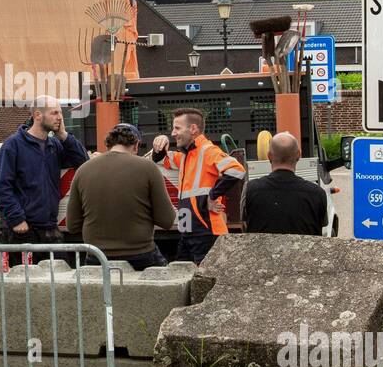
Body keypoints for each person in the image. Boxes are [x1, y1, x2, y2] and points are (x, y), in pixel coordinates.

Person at [66, 123, 176, 270]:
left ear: (109, 144)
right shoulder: (148, 168)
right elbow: (167, 220)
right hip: (141, 255)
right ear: (136, 145)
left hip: (97, 257)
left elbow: (72, 225)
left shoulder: (83, 170)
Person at [0, 95, 89, 256]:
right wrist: (17, 219)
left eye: (60, 113)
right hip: (22, 230)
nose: (60, 117)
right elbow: (3, 187)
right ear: (38, 115)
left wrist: (64, 135)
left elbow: (83, 161)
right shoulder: (13, 145)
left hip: (49, 228)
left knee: (59, 276)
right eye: (54, 113)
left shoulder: (54, 145)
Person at [150, 107, 246, 264]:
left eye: (177, 128)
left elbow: (237, 170)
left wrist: (213, 195)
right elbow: (161, 160)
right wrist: (160, 142)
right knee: (181, 271)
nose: (173, 133)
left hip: (207, 232)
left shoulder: (208, 151)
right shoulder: (186, 156)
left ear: (193, 129)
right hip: (188, 231)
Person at [241, 131, 328, 236]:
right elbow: (321, 228)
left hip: (262, 252)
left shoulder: (249, 189)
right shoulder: (318, 193)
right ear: (298, 155)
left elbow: (244, 224)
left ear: (269, 156)